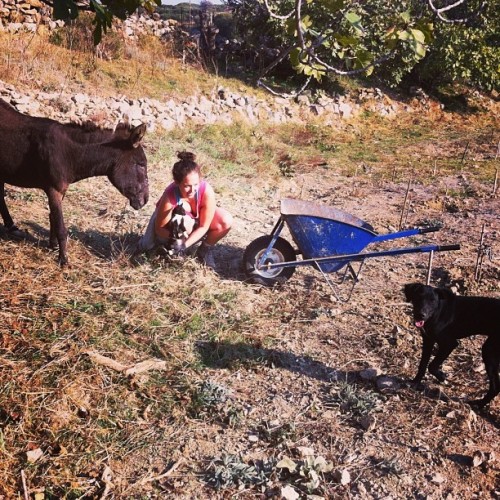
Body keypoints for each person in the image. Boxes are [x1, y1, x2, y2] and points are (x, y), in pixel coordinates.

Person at [137, 151, 232, 268]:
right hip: (171, 230)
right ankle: (167, 249)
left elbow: (204, 226)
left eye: (196, 184)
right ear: (177, 183)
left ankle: (204, 250)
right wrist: (177, 240)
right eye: (187, 186)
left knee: (225, 220)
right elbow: (160, 229)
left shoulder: (206, 190)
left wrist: (183, 245)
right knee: (147, 246)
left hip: (190, 230)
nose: (192, 190)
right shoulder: (169, 197)